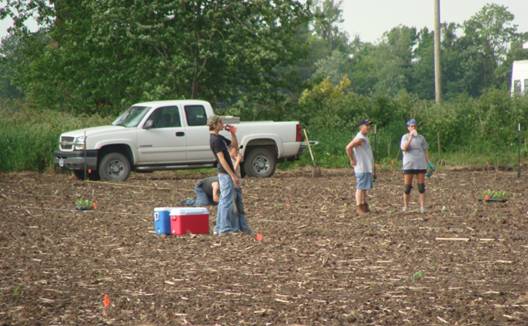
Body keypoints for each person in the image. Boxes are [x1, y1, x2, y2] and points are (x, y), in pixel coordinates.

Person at [208, 116, 251, 235]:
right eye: (221, 122)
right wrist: (232, 175)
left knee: (224, 200)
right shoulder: (215, 140)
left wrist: (233, 134)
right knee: (226, 201)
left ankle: (219, 227)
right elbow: (222, 160)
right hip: (224, 173)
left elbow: (234, 147)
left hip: (225, 173)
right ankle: (225, 228)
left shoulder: (219, 138)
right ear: (215, 124)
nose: (223, 124)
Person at [345, 119, 375, 215]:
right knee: (360, 187)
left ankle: (364, 205)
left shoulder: (364, 138)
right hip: (361, 167)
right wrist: (352, 159)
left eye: (369, 125)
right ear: (361, 127)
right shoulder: (360, 138)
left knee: (364, 187)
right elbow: (348, 147)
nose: (369, 127)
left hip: (366, 167)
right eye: (367, 125)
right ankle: (359, 207)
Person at [400, 118, 430, 213]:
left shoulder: (421, 137)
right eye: (411, 126)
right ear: (408, 127)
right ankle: (406, 207)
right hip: (409, 164)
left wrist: (428, 162)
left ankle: (422, 207)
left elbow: (425, 150)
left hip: (420, 164)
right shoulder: (405, 137)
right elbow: (405, 148)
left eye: (414, 126)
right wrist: (410, 137)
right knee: (407, 187)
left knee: (421, 186)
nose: (413, 128)